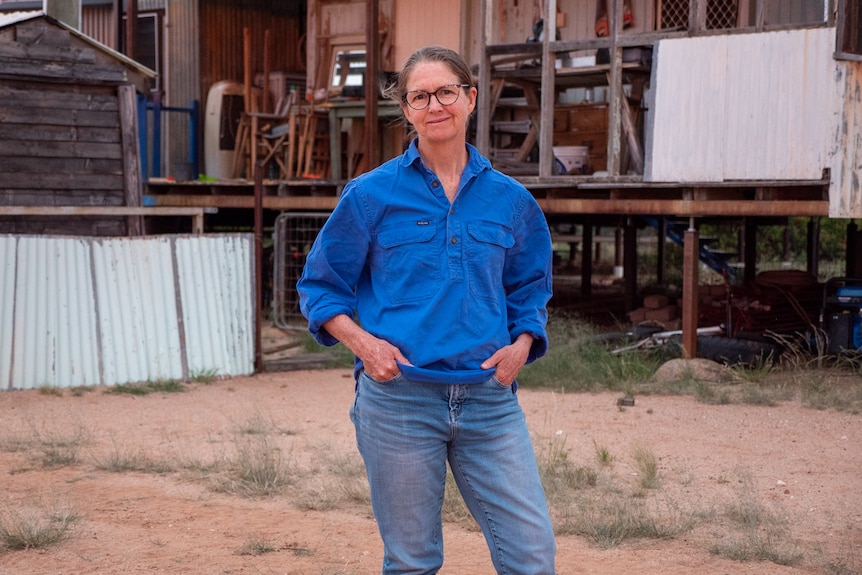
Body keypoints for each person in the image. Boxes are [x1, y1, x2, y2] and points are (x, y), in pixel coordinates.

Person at [297, 45, 556, 575]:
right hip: (399, 402)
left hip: (489, 400)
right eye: (420, 96)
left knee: (532, 555)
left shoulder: (512, 200)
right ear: (408, 109)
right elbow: (320, 287)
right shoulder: (370, 195)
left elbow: (530, 287)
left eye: (446, 92)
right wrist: (365, 346)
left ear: (470, 98)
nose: (435, 105)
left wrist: (522, 346)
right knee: (413, 561)